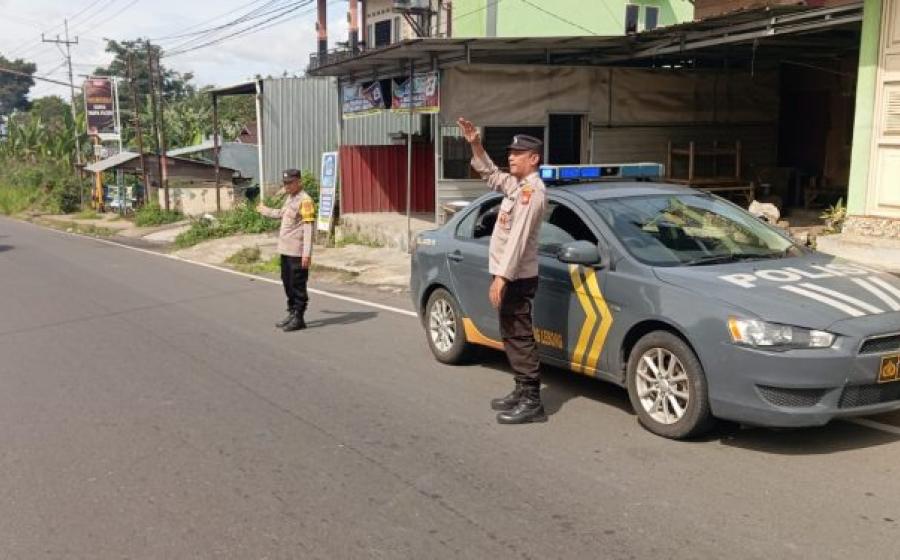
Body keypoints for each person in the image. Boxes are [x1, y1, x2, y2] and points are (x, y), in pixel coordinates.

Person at [458, 117, 549, 424]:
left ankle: (532, 401)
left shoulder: (532, 193)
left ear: (533, 159)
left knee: (519, 335)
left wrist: (502, 277)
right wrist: (475, 144)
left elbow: (519, 240)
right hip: (511, 274)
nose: (510, 156)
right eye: (510, 152)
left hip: (517, 277)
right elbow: (491, 174)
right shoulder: (518, 187)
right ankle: (521, 391)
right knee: (511, 334)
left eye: (517, 153)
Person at [257, 169, 316, 332]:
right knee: (287, 283)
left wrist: (307, 253)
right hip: (285, 250)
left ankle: (299, 317)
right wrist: (264, 210)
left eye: (290, 182)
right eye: (285, 183)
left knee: (298, 285)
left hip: (297, 252)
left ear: (299, 182)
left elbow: (309, 228)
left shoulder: (305, 201)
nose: (287, 186)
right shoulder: (290, 198)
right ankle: (292, 312)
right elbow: (281, 214)